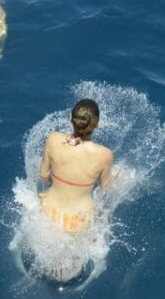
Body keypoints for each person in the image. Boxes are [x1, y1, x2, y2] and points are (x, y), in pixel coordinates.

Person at [38, 99, 114, 235]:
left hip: (49, 210)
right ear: (96, 125)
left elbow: (43, 175)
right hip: (79, 220)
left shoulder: (53, 139)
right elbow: (104, 188)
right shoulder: (105, 155)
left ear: (71, 120)